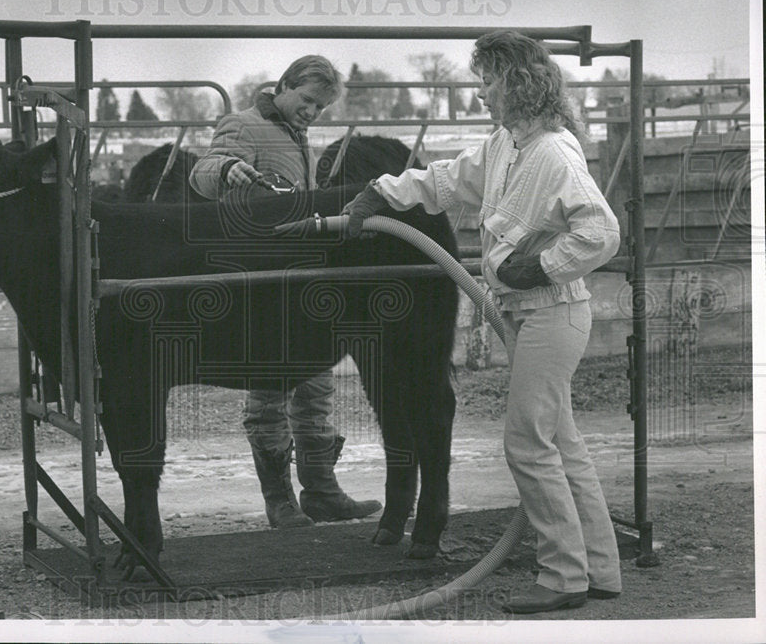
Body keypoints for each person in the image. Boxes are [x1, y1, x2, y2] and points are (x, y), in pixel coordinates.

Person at [343, 30, 623, 614]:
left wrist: (541, 266)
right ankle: (600, 568)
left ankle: (563, 576)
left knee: (527, 444)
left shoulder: (552, 151)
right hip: (530, 313)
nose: (481, 96)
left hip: (552, 311)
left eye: (488, 83)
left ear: (517, 83)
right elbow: (445, 179)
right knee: (562, 444)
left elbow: (601, 232)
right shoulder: (507, 145)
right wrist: (379, 191)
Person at [189, 55, 382, 529]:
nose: (313, 112)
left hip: (303, 280)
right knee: (270, 388)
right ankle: (279, 500)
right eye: (308, 100)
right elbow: (204, 171)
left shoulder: (300, 139)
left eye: (321, 107)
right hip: (262, 283)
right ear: (285, 86)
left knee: (316, 385)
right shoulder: (243, 124)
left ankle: (321, 491)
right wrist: (227, 169)